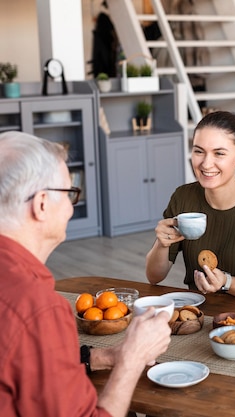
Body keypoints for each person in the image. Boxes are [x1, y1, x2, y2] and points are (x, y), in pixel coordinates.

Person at [0, 131, 172, 417]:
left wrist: (105, 357)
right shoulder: (37, 308)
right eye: (69, 193)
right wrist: (132, 357)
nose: (71, 206)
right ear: (41, 204)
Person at [146, 111, 235, 299]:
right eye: (199, 151)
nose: (206, 163)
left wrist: (226, 282)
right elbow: (154, 277)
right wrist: (161, 245)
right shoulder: (183, 197)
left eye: (219, 153)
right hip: (197, 313)